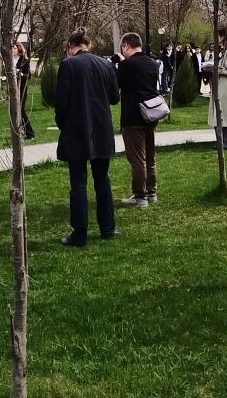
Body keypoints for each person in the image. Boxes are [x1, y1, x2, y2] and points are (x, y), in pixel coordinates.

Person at [54, 29, 120, 246]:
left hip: (76, 130)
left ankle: (80, 232)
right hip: (102, 129)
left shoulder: (68, 65)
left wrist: (63, 124)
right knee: (102, 180)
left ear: (71, 45)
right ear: (88, 44)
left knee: (78, 183)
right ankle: (108, 227)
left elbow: (61, 102)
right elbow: (114, 97)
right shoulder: (105, 65)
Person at [115, 32, 160, 208]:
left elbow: (116, 85)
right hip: (151, 115)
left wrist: (119, 65)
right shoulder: (153, 63)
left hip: (133, 117)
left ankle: (140, 195)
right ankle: (152, 192)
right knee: (150, 157)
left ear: (126, 46)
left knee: (137, 159)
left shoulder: (127, 65)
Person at [208, 28, 227, 150]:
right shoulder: (219, 51)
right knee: (217, 112)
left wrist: (215, 68)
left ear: (223, 37)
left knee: (225, 112)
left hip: (226, 85)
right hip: (218, 84)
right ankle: (220, 140)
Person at [13, 41, 34, 139]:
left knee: (21, 109)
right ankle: (17, 130)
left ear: (19, 49)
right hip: (13, 88)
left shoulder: (24, 61)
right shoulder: (10, 61)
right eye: (12, 48)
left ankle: (30, 132)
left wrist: (21, 74)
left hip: (22, 87)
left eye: (14, 48)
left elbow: (29, 75)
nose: (12, 50)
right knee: (14, 110)